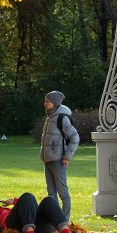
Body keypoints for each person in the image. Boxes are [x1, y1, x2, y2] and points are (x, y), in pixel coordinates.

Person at [40, 90, 79, 222]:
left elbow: (75, 137)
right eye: (45, 101)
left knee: (63, 193)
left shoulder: (62, 118)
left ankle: (64, 221)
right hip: (48, 161)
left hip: (59, 161)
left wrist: (67, 157)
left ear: (55, 103)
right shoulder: (49, 117)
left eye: (47, 101)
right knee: (51, 195)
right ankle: (54, 221)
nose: (44, 103)